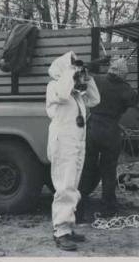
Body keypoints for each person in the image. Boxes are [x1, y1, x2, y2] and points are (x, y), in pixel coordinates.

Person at [46, 51, 100, 251]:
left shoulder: (76, 94)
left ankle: (68, 227)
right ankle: (60, 231)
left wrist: (88, 75)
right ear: (64, 69)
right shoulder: (54, 87)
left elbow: (95, 100)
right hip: (63, 142)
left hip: (77, 142)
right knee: (65, 186)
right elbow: (62, 93)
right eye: (71, 67)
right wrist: (72, 70)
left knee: (73, 187)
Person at [79, 57, 139, 218]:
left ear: (111, 69)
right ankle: (108, 209)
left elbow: (84, 77)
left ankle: (78, 209)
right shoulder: (125, 89)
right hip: (111, 132)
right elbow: (133, 100)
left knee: (86, 169)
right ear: (123, 75)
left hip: (93, 130)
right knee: (108, 171)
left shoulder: (97, 80)